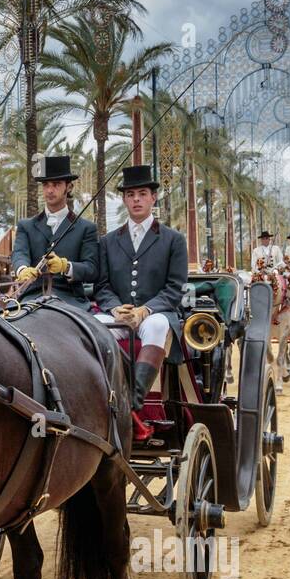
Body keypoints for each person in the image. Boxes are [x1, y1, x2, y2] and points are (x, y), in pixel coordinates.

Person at [94, 164, 188, 410]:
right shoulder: (108, 241)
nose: (137, 200)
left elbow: (174, 288)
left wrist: (145, 311)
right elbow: (102, 285)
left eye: (142, 194)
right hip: (119, 316)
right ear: (124, 199)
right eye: (131, 195)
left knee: (156, 325)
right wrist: (115, 309)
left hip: (154, 315)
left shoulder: (173, 240)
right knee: (95, 327)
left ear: (153, 197)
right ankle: (101, 394)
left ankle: (134, 400)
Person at [12, 154, 98, 309]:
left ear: (69, 187)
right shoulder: (26, 226)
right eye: (46, 185)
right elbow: (19, 254)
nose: (50, 190)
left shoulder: (86, 228)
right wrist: (23, 269)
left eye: (56, 184)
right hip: (31, 297)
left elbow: (91, 269)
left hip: (71, 300)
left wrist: (66, 267)